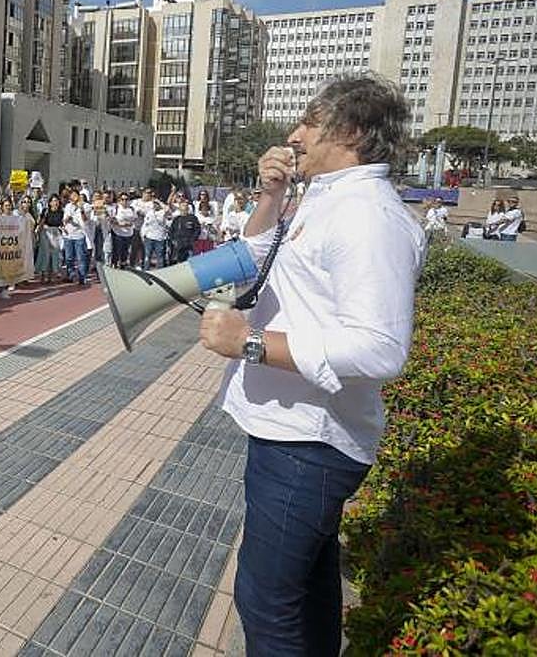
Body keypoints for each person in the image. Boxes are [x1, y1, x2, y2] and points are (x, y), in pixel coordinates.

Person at [198, 73, 426, 656]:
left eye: (308, 122)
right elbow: (252, 258)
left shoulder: (368, 216)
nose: (294, 134)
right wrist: (270, 197)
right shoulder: (327, 201)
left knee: (265, 601)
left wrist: (250, 343)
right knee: (309, 589)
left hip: (310, 444)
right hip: (292, 432)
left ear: (348, 131)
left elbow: (379, 348)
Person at [61, 189, 93, 285]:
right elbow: (64, 220)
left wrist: (81, 209)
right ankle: (70, 275)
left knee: (80, 258)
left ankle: (82, 277)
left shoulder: (86, 206)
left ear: (78, 196)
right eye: (71, 195)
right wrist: (67, 219)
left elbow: (85, 220)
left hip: (79, 235)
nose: (73, 197)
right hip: (68, 235)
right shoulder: (68, 206)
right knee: (69, 258)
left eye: (75, 195)